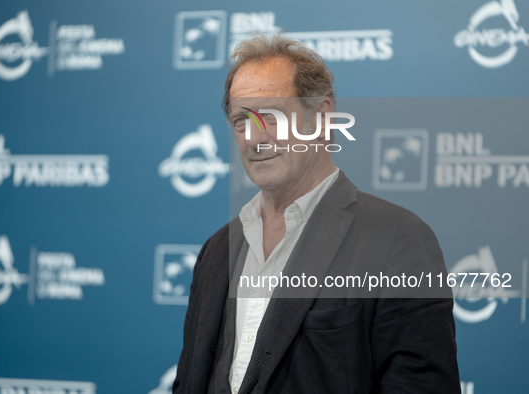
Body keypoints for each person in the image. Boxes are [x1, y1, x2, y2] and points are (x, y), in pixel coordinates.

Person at [173, 33, 460, 394]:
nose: (252, 138)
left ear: (321, 117)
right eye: (240, 120)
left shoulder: (397, 240)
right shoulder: (216, 251)